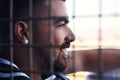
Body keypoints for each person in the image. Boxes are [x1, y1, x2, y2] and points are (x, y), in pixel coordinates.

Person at [0, 0, 120, 80]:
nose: (72, 36)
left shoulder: (42, 63)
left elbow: (83, 59)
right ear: (23, 32)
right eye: (61, 24)